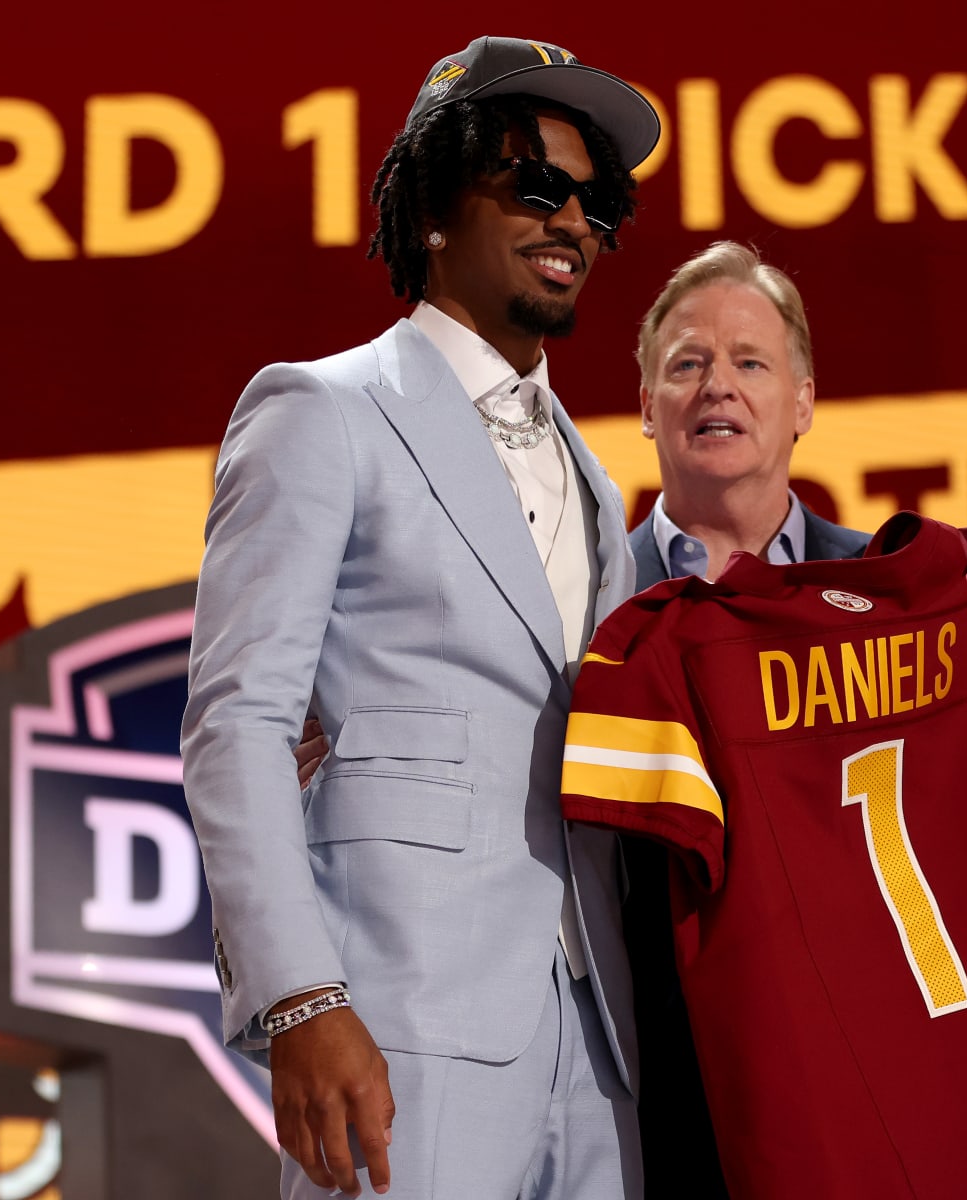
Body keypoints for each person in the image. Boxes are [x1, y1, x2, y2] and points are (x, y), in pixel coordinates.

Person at [181, 37, 659, 1200]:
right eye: (535, 186)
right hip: (398, 1026)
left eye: (597, 204)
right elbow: (236, 723)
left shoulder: (601, 485)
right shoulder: (319, 409)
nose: (572, 223)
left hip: (597, 1044)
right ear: (435, 209)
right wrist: (302, 999)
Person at [623, 241, 967, 1194]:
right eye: (686, 363)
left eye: (750, 362)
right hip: (667, 1127)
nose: (718, 385)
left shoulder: (907, 599)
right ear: (646, 407)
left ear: (803, 400)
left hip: (892, 1103)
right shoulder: (586, 616)